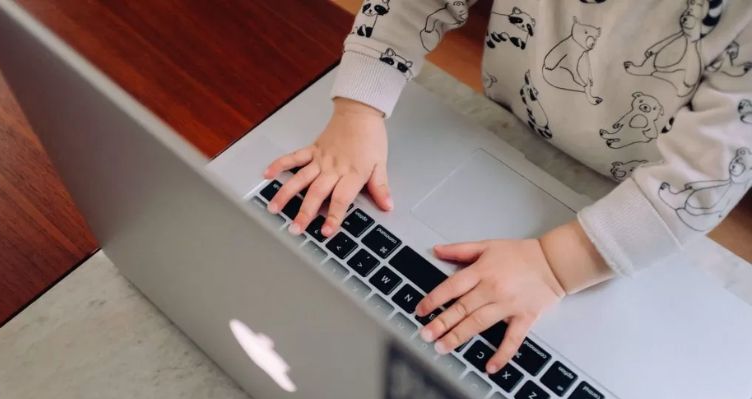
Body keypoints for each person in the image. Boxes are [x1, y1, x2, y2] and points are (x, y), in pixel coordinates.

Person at [263, 0, 752, 375]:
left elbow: (700, 182)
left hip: (634, 196)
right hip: (511, 122)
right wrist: (359, 108)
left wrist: (555, 267)